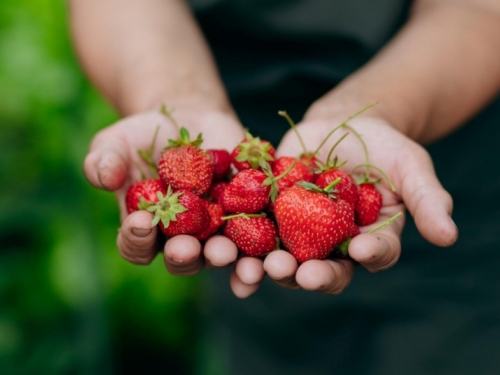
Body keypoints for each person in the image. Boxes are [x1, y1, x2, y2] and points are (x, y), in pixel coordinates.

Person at [70, 0, 500, 374]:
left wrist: (374, 114)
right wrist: (176, 97)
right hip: (250, 225)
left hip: (442, 145)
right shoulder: (237, 201)